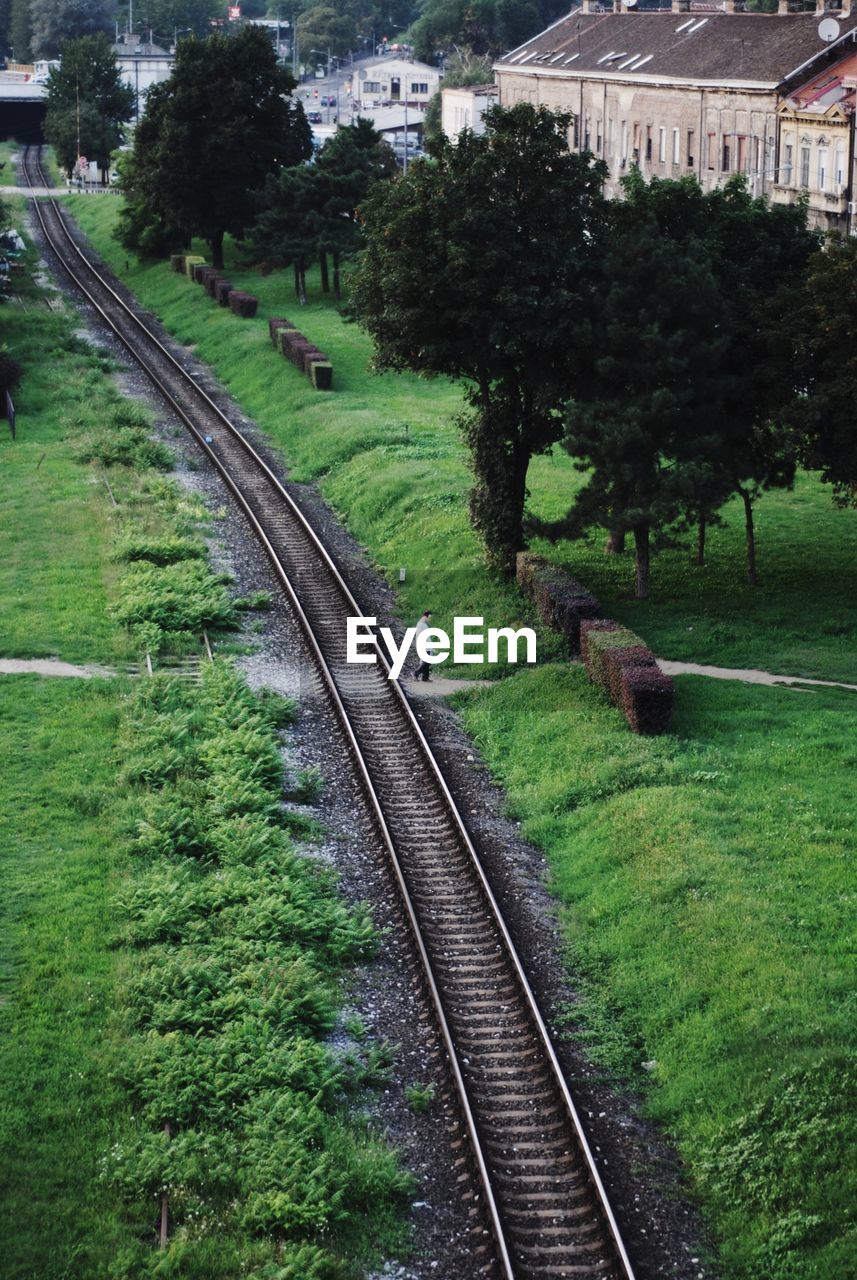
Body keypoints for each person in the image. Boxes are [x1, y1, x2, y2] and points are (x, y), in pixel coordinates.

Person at [413, 609, 433, 681]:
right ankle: (416, 673)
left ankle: (425, 677)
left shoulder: (423, 624)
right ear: (425, 617)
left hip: (426, 646)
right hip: (424, 646)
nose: (430, 620)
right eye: (429, 618)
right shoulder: (421, 625)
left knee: (427, 662)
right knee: (426, 662)